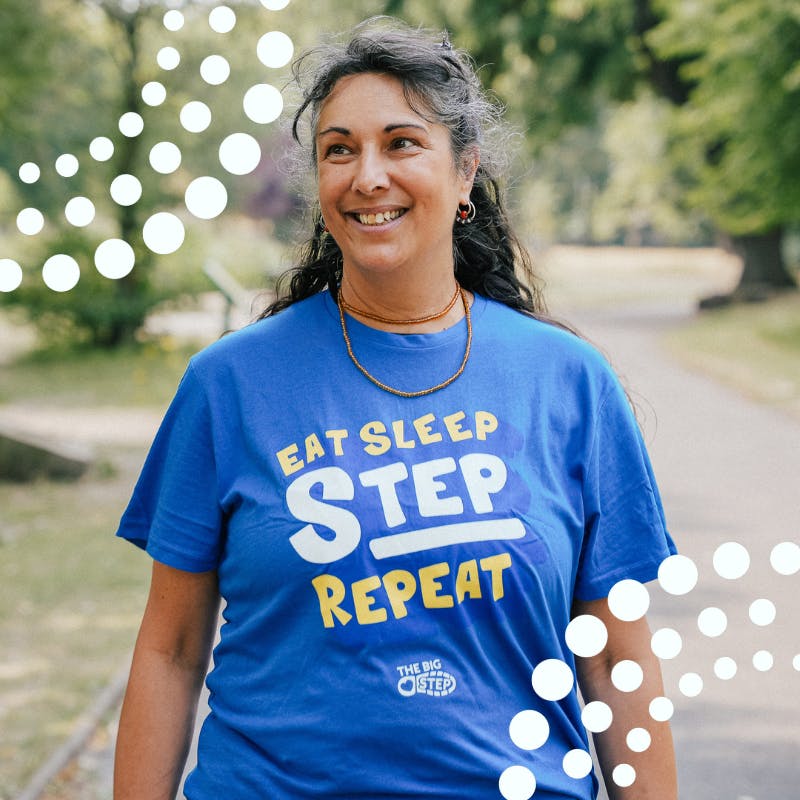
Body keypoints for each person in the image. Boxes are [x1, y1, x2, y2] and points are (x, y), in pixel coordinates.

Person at [113, 19, 678, 800]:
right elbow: (171, 649)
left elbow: (615, 659)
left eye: (402, 143)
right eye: (339, 149)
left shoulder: (568, 381)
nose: (367, 175)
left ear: (464, 173)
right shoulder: (228, 386)